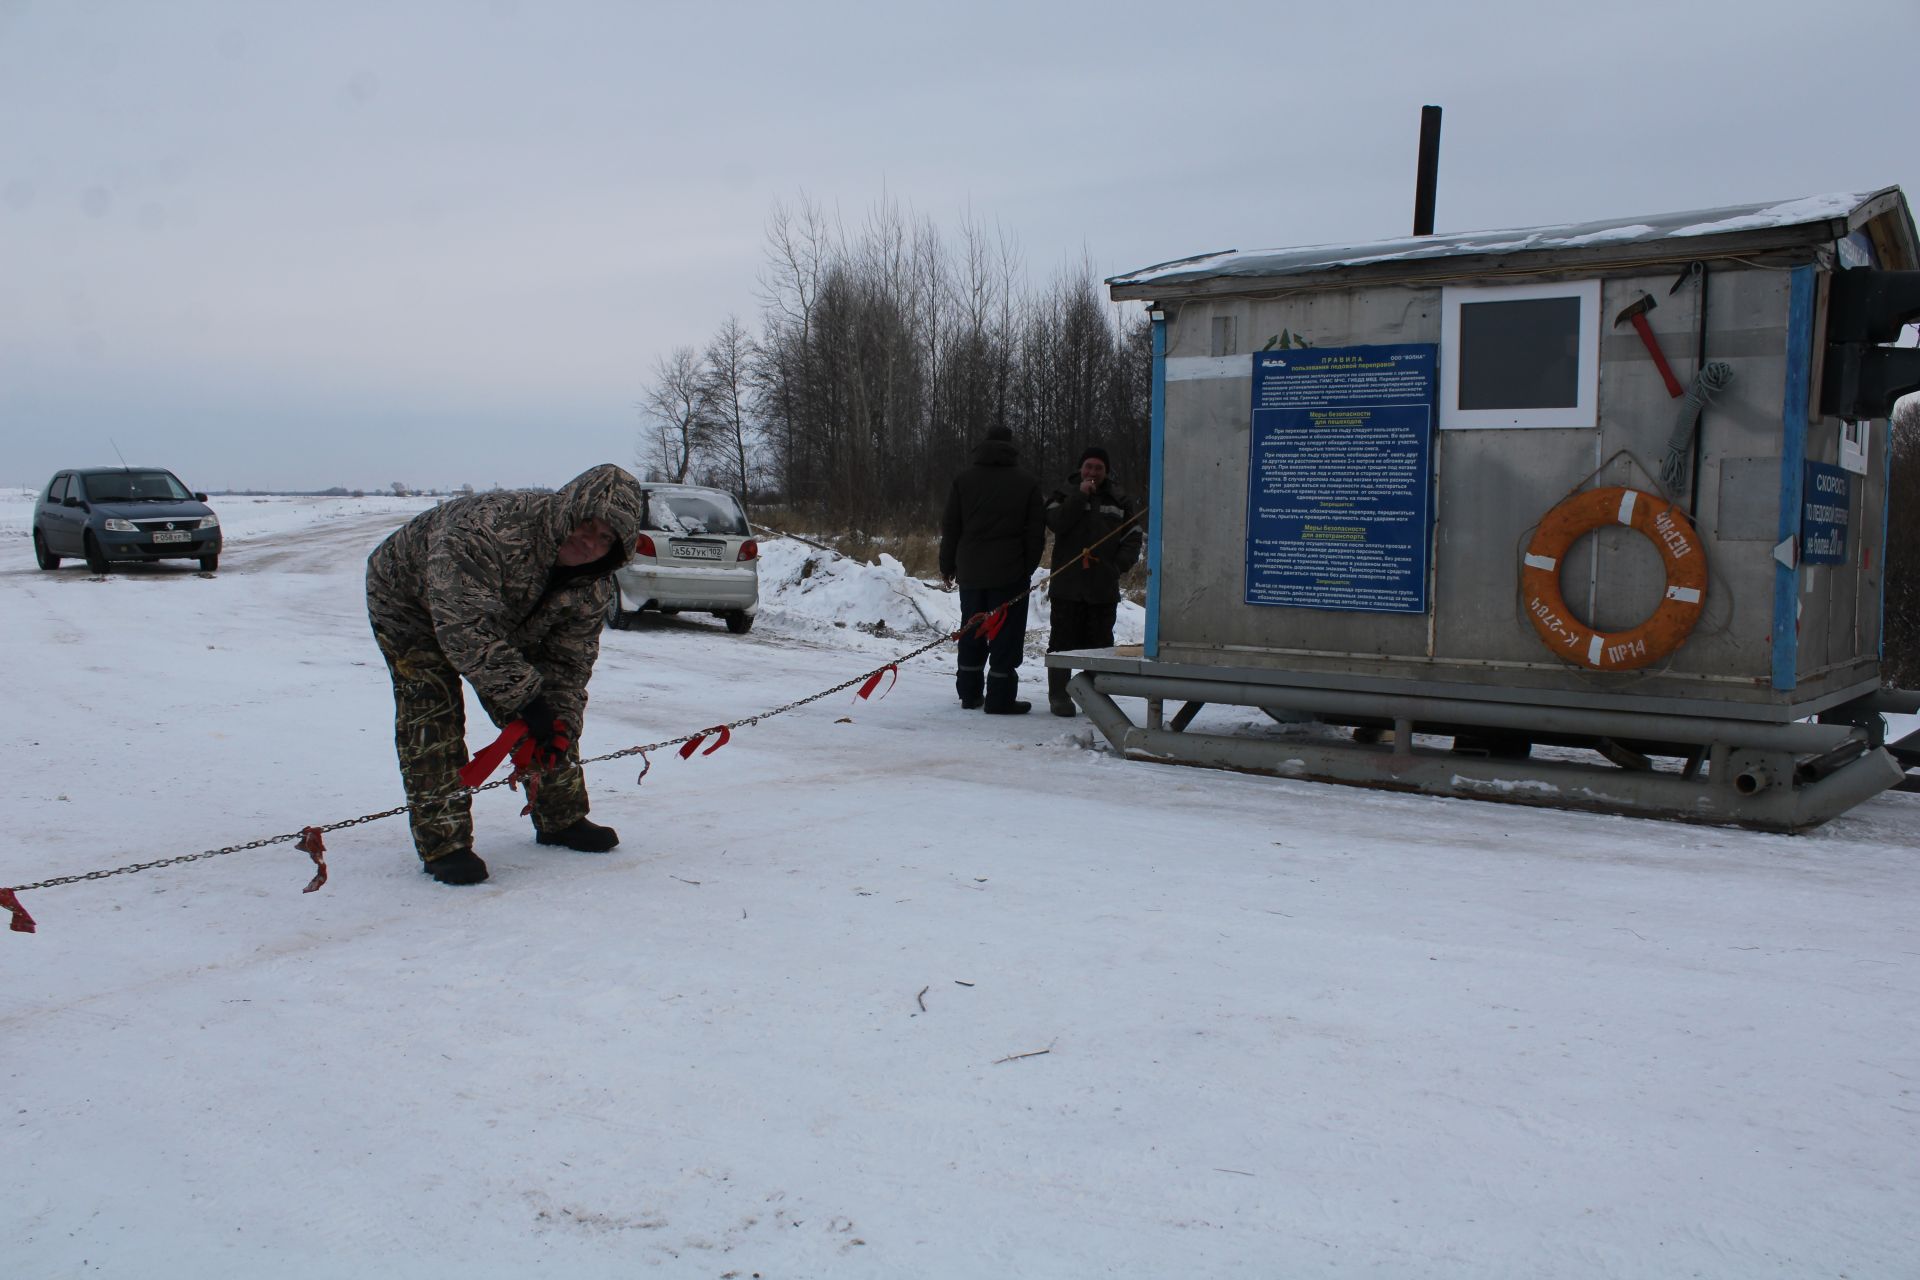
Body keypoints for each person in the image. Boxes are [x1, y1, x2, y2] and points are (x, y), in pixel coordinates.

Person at [365, 463, 645, 885]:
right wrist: (528, 700)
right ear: (565, 512)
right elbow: (466, 631)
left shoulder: (593, 587)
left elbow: (569, 666)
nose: (590, 543)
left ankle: (561, 818)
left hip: (505, 613)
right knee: (432, 708)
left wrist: (558, 721)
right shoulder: (485, 532)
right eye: (587, 525)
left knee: (547, 717)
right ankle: (444, 843)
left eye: (606, 538)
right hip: (410, 604)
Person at [939, 425, 1045, 715]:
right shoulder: (1027, 482)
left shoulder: (963, 480)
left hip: (971, 571)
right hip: (1010, 573)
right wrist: (1026, 567)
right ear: (1011, 447)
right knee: (1005, 635)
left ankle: (969, 694)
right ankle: (1000, 698)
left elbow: (951, 527)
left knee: (972, 629)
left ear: (983, 445)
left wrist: (947, 565)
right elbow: (1036, 533)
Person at [1044, 445, 1143, 717]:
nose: (1093, 472)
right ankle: (1060, 697)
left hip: (1102, 586)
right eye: (1088, 466)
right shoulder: (1064, 493)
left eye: (1099, 468)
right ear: (1080, 468)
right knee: (1062, 643)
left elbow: (1133, 536)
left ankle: (1094, 697)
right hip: (1068, 584)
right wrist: (1079, 497)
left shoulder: (1120, 499)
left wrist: (1118, 566)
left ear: (1106, 471)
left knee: (1099, 645)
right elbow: (1056, 522)